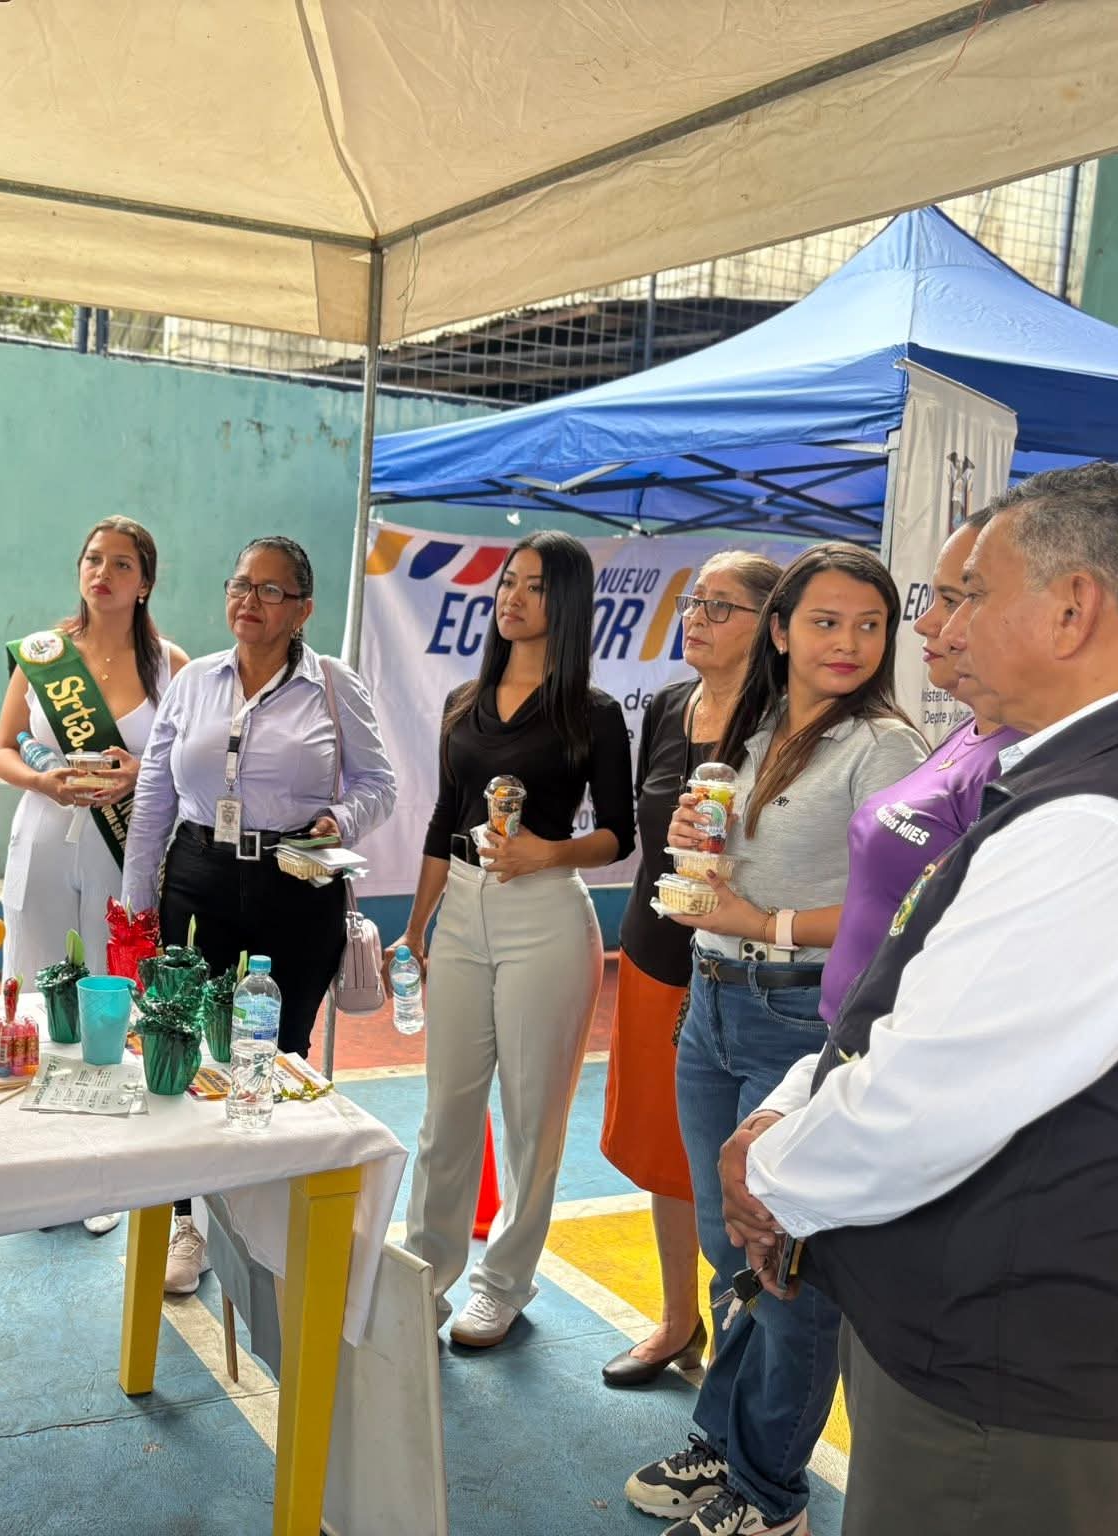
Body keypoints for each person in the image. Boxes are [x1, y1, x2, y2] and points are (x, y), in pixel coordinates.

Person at [722, 463, 1118, 1536]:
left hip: (1010, 1372)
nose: (939, 624)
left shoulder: (1107, 818)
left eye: (970, 593)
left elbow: (923, 1101)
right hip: (1022, 1341)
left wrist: (769, 1172)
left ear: (1072, 610)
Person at [626, 543, 926, 1536]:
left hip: (797, 1014)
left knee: (783, 1267)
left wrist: (759, 920)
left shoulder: (881, 746)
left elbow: (897, 911)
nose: (849, 642)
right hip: (711, 1001)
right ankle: (723, 1441)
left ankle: (768, 1495)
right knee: (729, 1252)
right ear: (784, 631)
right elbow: (727, 875)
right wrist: (697, 848)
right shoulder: (758, 736)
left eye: (870, 624)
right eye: (826, 621)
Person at [122, 535, 396, 1293]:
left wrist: (340, 819)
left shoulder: (333, 685)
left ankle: (258, 1210)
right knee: (183, 1046)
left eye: (271, 590)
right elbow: (155, 794)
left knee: (277, 1050)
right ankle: (187, 1222)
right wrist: (135, 903)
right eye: (241, 584)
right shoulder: (193, 681)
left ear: (303, 609)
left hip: (295, 881)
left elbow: (380, 785)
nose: (250, 600)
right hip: (198, 876)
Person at [391, 533, 634, 1348]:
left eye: (532, 586)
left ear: (565, 602)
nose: (512, 599)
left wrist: (548, 853)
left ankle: (503, 1285)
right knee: (446, 1112)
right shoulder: (465, 700)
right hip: (461, 910)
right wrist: (416, 927)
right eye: (507, 583)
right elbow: (441, 820)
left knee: (532, 1119)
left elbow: (620, 834)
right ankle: (424, 1276)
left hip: (547, 916)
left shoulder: (594, 713)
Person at [598, 550, 782, 1388]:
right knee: (661, 1148)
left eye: (719, 606)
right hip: (653, 952)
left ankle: (744, 1341)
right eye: (693, 602)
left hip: (738, 964)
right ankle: (679, 1321)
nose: (696, 619)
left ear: (769, 626)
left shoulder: (784, 720)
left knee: (730, 1165)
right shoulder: (670, 705)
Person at [0, 515, 188, 1236]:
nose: (103, 574)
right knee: (37, 983)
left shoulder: (172, 667)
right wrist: (43, 783)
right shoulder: (44, 655)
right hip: (44, 838)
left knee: (112, 996)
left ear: (145, 583)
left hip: (123, 847)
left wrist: (141, 774)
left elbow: (187, 766)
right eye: (94, 559)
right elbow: (1, 750)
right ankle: (36, 1160)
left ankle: (102, 1168)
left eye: (122, 564)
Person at [815, 510, 1022, 1025]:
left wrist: (769, 925)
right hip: (850, 1034)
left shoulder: (1021, 760)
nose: (927, 623)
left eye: (955, 600)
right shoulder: (969, 730)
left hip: (897, 1042)